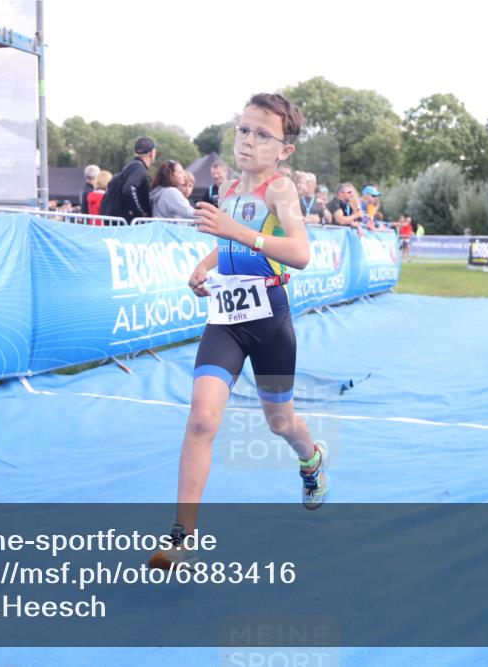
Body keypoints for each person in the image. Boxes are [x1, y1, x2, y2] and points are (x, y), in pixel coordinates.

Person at [149, 93, 323, 569]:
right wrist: (204, 265)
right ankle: (182, 536)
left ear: (284, 149)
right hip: (225, 321)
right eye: (243, 129)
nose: (248, 140)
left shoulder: (281, 190)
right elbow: (227, 242)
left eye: (262, 134)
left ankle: (311, 459)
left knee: (281, 423)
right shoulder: (227, 190)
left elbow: (301, 254)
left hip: (269, 321)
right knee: (202, 418)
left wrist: (238, 232)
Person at [99, 137, 155, 223]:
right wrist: (141, 213)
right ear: (152, 153)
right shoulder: (139, 169)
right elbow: (129, 189)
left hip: (116, 219)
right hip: (125, 222)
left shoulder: (129, 167)